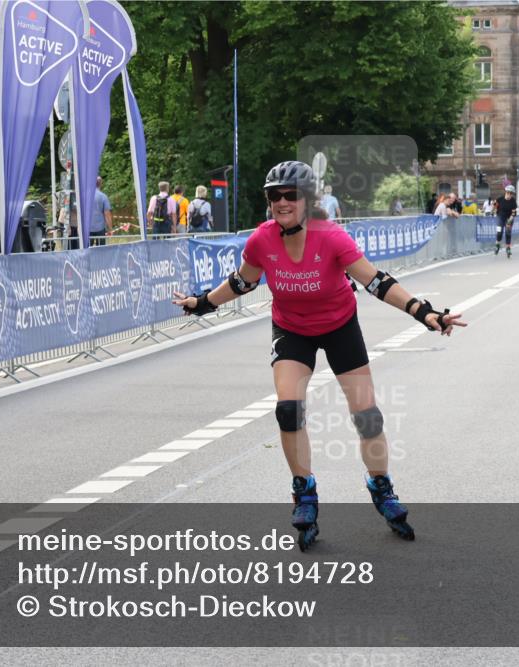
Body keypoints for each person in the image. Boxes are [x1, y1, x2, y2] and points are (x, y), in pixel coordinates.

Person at [172, 161, 466, 549]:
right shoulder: (261, 240)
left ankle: (381, 486)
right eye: (273, 195)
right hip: (293, 330)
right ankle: (304, 490)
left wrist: (423, 312)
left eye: (289, 195)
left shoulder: (331, 238)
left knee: (368, 417)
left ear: (307, 201)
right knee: (288, 409)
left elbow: (377, 281)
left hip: (340, 326)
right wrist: (202, 303)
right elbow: (243, 281)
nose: (281, 202)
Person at [493, 184, 518, 257]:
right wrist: (493, 209)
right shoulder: (499, 199)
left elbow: (513, 213)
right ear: (505, 192)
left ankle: (508, 247)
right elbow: (494, 206)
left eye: (511, 193)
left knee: (508, 232)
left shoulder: (513, 201)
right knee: (499, 232)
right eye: (508, 193)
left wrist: (510, 221)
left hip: (509, 218)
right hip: (500, 217)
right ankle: (497, 244)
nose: (509, 195)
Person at [89, 176, 112, 246]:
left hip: (88, 228)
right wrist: (110, 228)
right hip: (100, 228)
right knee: (101, 251)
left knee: (87, 251)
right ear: (101, 184)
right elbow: (107, 214)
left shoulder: (86, 196)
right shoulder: (103, 196)